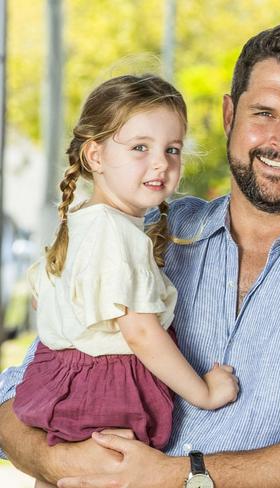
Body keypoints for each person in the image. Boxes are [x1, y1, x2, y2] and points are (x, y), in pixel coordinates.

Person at [0, 24, 280, 488]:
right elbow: (19, 390)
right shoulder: (148, 232)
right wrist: (60, 464)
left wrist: (177, 477)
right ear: (229, 115)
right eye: (263, 113)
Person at [12, 74, 240, 488]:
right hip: (106, 392)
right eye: (140, 147)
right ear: (95, 156)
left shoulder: (81, 224)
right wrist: (203, 392)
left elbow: (43, 301)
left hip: (64, 381)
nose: (161, 163)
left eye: (172, 149)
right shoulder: (116, 235)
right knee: (113, 473)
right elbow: (140, 332)